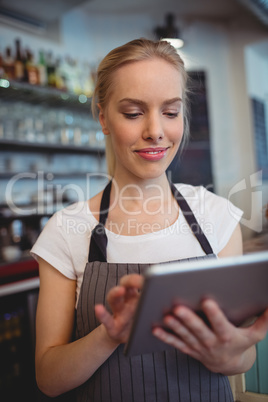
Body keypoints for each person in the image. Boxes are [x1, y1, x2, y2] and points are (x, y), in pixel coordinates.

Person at [31, 38, 268, 402]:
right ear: (102, 118)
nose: (155, 130)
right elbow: (49, 378)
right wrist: (109, 334)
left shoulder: (216, 217)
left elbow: (241, 356)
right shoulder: (67, 229)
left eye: (170, 112)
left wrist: (230, 354)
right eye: (133, 113)